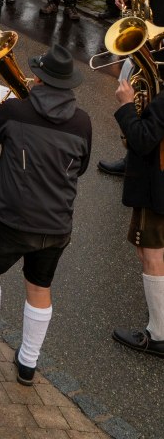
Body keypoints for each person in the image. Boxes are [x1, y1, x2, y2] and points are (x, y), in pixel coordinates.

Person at [0, 44, 91, 385]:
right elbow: (80, 167)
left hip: (11, 217)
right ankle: (27, 363)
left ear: (39, 77)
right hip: (57, 223)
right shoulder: (83, 121)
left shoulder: (15, 110)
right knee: (40, 288)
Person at [111, 74, 164, 358]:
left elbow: (143, 140)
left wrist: (127, 106)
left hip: (156, 187)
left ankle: (158, 334)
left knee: (151, 253)